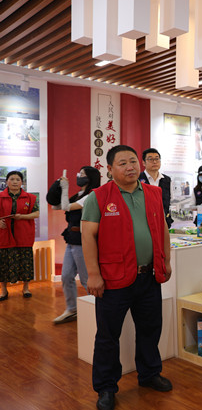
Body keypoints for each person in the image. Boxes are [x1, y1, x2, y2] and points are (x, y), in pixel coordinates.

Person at [81, 145, 172, 410]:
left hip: (148, 276)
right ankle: (106, 387)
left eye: (133, 161)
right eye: (122, 163)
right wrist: (93, 274)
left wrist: (165, 261)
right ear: (110, 169)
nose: (130, 167)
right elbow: (88, 236)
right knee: (108, 336)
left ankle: (150, 373)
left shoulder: (153, 193)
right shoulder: (98, 197)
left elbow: (163, 229)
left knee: (150, 328)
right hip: (113, 279)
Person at [49, 166, 101, 324]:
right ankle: (72, 309)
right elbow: (56, 206)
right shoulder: (79, 195)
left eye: (82, 174)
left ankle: (98, 310)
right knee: (66, 276)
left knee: (86, 279)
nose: (79, 176)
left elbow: (67, 207)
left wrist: (65, 189)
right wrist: (58, 188)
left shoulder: (91, 195)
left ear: (90, 178)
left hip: (82, 241)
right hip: (71, 240)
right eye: (79, 174)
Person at [0, 171, 39, 300]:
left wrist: (22, 217)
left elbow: (36, 214)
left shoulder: (30, 198)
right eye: (12, 179)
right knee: (4, 264)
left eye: (18, 179)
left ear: (22, 182)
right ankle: (4, 291)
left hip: (24, 234)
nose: (15, 182)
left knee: (25, 263)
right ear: (7, 182)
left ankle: (26, 288)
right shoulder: (0, 197)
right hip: (4, 235)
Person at [139, 148, 173, 228]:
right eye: (150, 159)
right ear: (143, 162)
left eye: (157, 159)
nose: (154, 162)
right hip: (143, 222)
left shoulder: (167, 180)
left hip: (163, 221)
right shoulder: (137, 179)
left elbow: (170, 200)